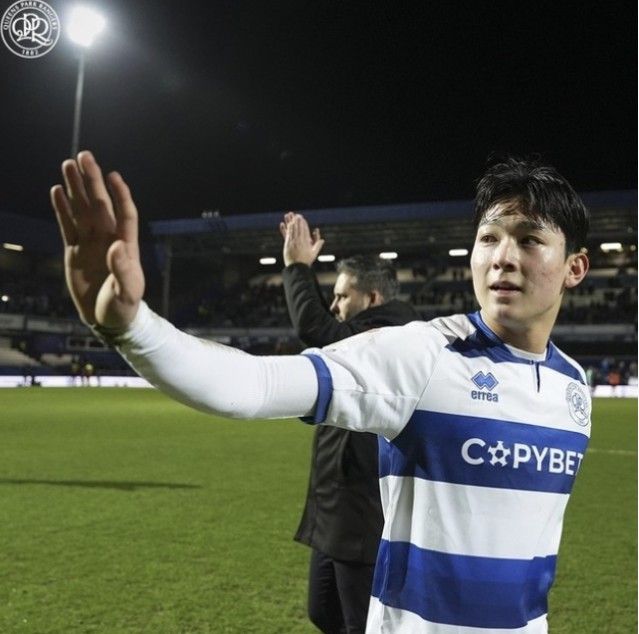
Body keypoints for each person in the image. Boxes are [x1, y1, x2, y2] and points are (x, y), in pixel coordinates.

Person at [51, 152, 591, 633]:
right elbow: (254, 384)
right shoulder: (424, 355)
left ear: (575, 268)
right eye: (489, 238)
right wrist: (132, 327)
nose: (502, 257)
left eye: (528, 239)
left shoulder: (574, 387)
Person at [279, 212, 420, 633]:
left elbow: (314, 327)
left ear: (372, 298)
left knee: (360, 622)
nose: (334, 306)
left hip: (361, 511)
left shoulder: (389, 335)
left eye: (342, 296)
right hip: (335, 508)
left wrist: (297, 267)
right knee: (325, 612)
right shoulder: (359, 337)